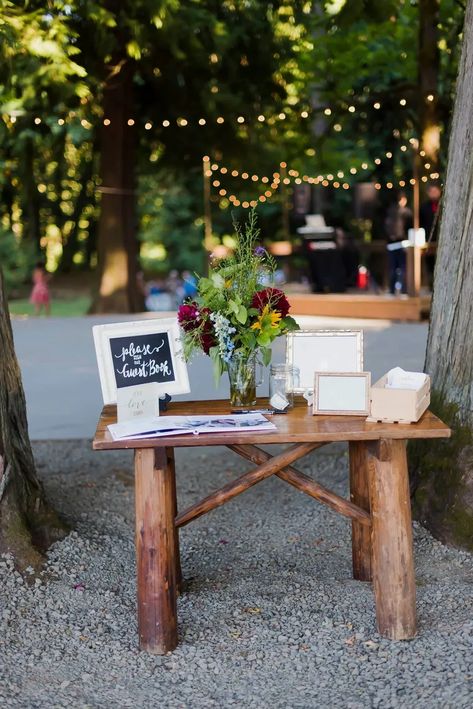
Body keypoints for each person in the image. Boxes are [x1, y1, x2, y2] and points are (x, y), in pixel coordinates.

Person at [384, 191, 413, 295]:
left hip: (391, 243)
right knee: (403, 267)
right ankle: (404, 289)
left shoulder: (390, 212)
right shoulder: (405, 212)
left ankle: (392, 289)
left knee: (393, 267)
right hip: (402, 242)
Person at [420, 182, 441, 288]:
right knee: (430, 264)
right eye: (431, 191)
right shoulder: (424, 207)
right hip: (428, 239)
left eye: (435, 191)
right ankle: (431, 285)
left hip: (440, 238)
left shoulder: (443, 205)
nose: (434, 194)